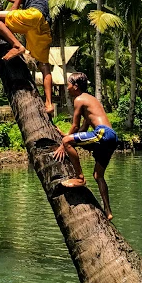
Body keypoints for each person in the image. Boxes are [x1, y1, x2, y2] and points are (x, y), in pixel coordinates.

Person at [0, 0, 54, 115]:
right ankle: (49, 104)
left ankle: (17, 46)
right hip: (43, 24)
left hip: (32, 15)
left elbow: (15, 6)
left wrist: (9, 20)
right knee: (44, 66)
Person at [52, 72, 117, 220]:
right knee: (98, 175)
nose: (67, 87)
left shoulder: (79, 99)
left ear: (75, 86)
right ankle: (108, 210)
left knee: (68, 141)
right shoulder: (90, 99)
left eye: (68, 84)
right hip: (111, 136)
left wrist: (64, 143)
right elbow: (82, 130)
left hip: (102, 134)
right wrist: (66, 137)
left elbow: (74, 126)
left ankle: (80, 177)